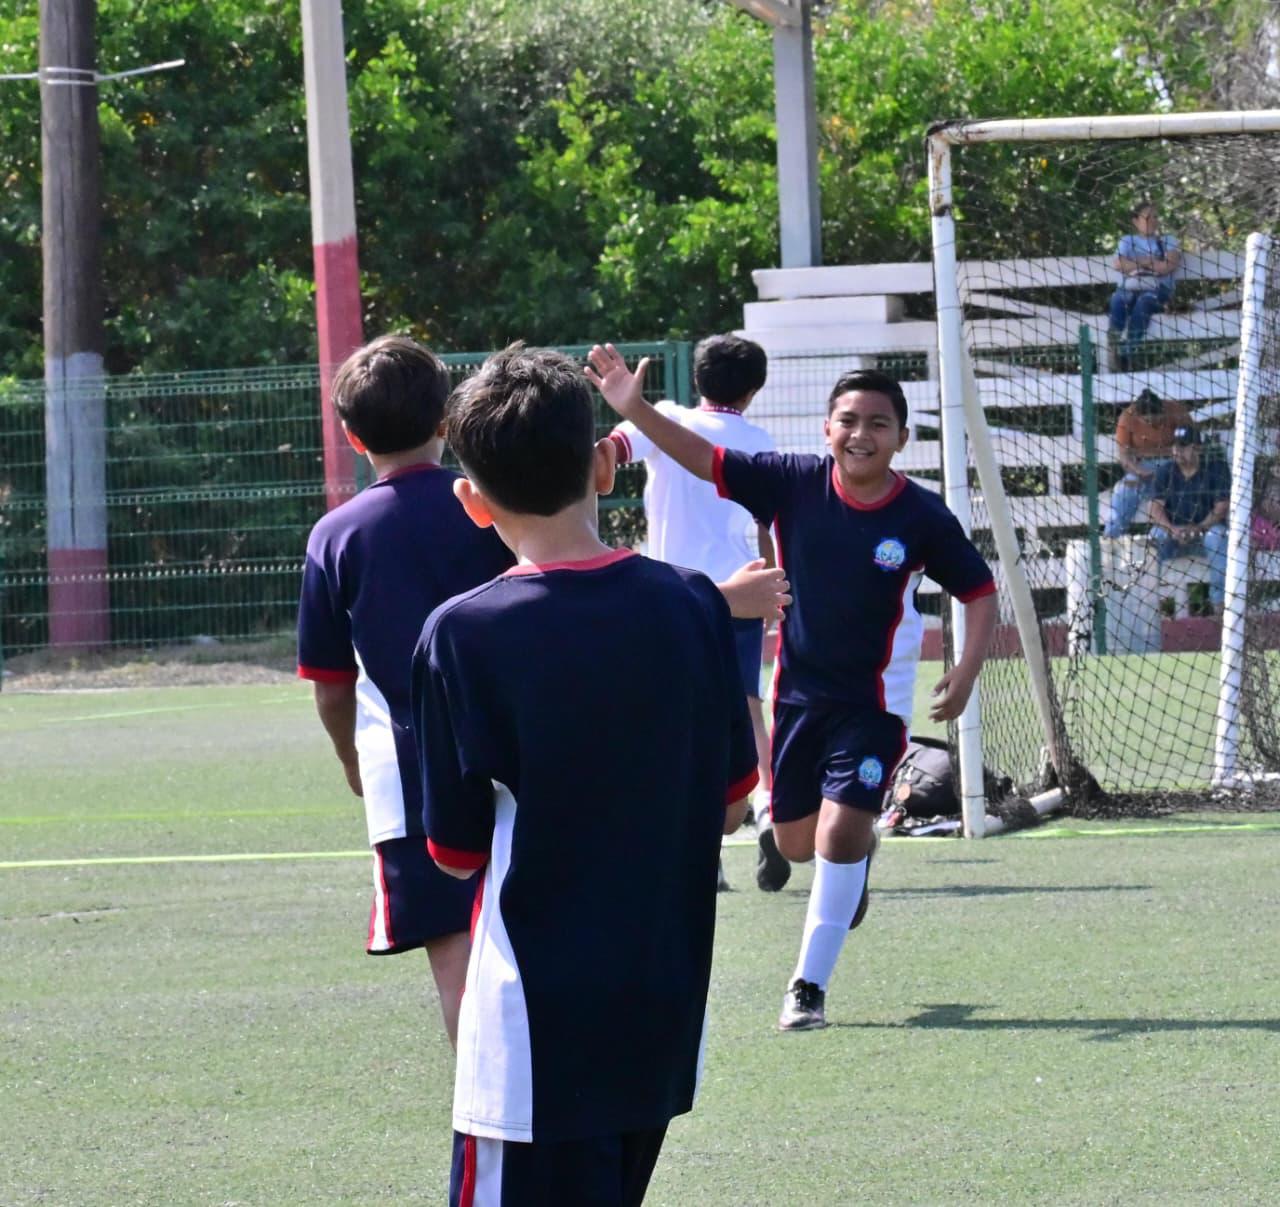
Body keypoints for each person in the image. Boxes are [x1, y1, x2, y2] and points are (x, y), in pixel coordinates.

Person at [413, 345, 757, 1204]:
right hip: (661, 1010)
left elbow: (454, 852)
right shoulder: (693, 603)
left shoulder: (462, 633)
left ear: (472, 502)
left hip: (535, 1032)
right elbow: (729, 803)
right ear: (606, 465)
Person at [587, 345, 998, 1032]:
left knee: (836, 833)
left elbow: (979, 591)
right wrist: (636, 409)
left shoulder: (922, 516)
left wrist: (968, 668)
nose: (861, 434)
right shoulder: (790, 482)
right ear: (826, 429)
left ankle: (807, 988)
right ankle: (855, 857)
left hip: (875, 707)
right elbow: (702, 458)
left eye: (878, 423)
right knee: (797, 842)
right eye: (848, 421)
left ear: (902, 437)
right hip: (799, 700)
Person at [296, 334, 515, 1048]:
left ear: (352, 436)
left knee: (457, 962)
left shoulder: (336, 535)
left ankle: (487, 1106)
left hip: (410, 778)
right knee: (533, 941)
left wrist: (351, 761)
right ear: (446, 420)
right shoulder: (492, 507)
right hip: (517, 757)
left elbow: (331, 684)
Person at [608, 332, 782, 890]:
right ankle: (770, 810)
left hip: (670, 594)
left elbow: (611, 452)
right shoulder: (759, 441)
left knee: (673, 716)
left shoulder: (665, 419)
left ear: (698, 379)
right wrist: (776, 586)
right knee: (747, 708)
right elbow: (768, 522)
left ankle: (706, 848)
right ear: (753, 390)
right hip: (742, 588)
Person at [1147, 423, 1230, 611]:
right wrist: (1172, 529)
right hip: (1173, 536)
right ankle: (1151, 605)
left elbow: (1221, 507)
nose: (1177, 450)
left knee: (1218, 536)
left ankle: (1220, 606)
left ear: (1197, 448)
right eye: (1174, 445)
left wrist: (1199, 528)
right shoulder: (1165, 471)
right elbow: (1154, 507)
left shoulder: (1216, 469)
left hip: (1205, 534)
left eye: (1183, 446)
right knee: (1154, 536)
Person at [1105, 388, 1192, 537]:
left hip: (1174, 465)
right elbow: (1124, 456)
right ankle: (1112, 536)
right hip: (1142, 468)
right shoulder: (1127, 418)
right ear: (1138, 416)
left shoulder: (1176, 411)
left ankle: (1175, 534)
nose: (1154, 423)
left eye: (1157, 419)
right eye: (1148, 421)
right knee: (1124, 489)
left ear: (1162, 411)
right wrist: (1140, 472)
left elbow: (1192, 443)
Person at [1108, 200, 1181, 370]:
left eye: (1155, 217)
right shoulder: (1127, 241)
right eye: (1147, 217)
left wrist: (1134, 263)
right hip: (1130, 287)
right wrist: (1149, 261)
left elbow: (1167, 266)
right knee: (1119, 299)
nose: (1153, 221)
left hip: (1158, 291)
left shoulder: (1168, 240)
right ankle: (1114, 343)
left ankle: (1126, 354)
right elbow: (1119, 264)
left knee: (1145, 301)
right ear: (1136, 221)